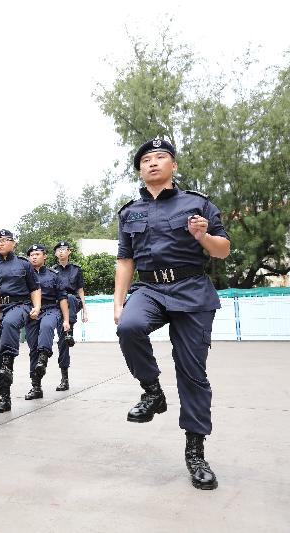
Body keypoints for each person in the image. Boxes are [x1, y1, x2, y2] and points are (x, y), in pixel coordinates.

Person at [115, 137, 230, 490]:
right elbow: (125, 259)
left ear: (173, 165)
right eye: (146, 159)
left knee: (192, 372)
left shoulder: (197, 204)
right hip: (149, 288)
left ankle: (195, 452)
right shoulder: (129, 212)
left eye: (160, 157)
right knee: (129, 327)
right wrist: (119, 302)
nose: (152, 163)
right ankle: (152, 391)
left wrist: (203, 235)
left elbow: (222, 250)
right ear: (139, 169)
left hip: (192, 290)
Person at [0, 230, 41, 413]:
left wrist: (37, 306)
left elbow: (35, 287)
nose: (0, 243)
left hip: (20, 305)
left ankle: (8, 363)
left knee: (9, 323)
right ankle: (5, 397)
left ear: (13, 243)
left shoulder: (24, 264)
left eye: (4, 240)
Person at [23, 244, 70, 400]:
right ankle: (36, 387)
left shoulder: (54, 275)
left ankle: (44, 357)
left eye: (37, 254)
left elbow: (62, 298)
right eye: (31, 255)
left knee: (47, 325)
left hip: (51, 309)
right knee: (32, 349)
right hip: (31, 313)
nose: (34, 257)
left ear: (45, 257)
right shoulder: (24, 275)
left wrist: (66, 320)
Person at [52, 240, 88, 391]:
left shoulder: (76, 269)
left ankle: (69, 330)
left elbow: (80, 290)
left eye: (64, 249)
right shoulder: (52, 270)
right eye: (58, 250)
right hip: (58, 304)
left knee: (71, 298)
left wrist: (85, 310)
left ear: (69, 252)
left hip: (73, 303)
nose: (61, 252)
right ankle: (64, 379)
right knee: (62, 344)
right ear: (55, 254)